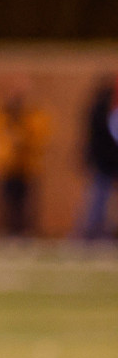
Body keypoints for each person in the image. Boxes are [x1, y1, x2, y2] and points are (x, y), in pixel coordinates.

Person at [0, 76, 52, 237]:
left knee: (25, 202)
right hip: (5, 165)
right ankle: (4, 232)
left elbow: (40, 133)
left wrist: (22, 138)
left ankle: (25, 233)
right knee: (5, 201)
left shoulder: (32, 113)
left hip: (26, 165)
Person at [77, 73, 118, 240]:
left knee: (99, 197)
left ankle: (98, 231)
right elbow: (99, 136)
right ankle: (88, 233)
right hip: (103, 161)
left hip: (109, 160)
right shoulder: (102, 108)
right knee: (98, 198)